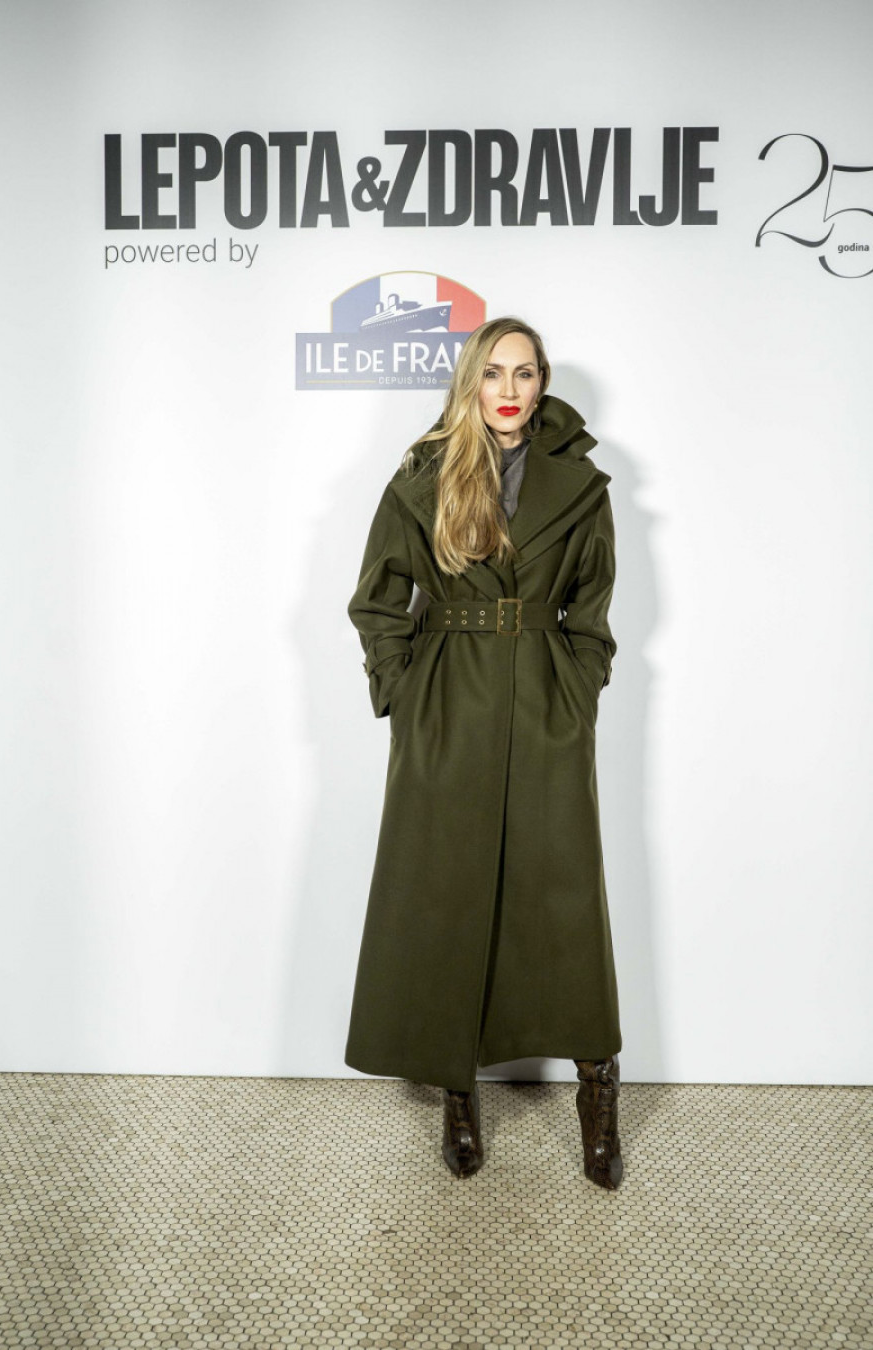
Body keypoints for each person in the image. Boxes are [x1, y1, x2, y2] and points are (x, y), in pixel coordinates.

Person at [345, 317, 623, 1189]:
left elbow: (593, 609)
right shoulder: (422, 476)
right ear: (472, 381)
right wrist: (404, 692)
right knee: (447, 896)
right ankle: (457, 1093)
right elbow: (378, 601)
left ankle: (598, 1094)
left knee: (564, 899)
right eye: (494, 373)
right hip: (448, 703)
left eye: (525, 373)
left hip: (544, 701)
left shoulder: (581, 484)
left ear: (543, 383)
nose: (509, 390)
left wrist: (578, 690)